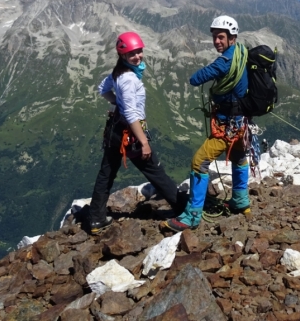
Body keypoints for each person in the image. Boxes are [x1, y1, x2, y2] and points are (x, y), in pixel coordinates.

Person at [89, 31, 183, 234]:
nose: (138, 56)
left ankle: (95, 219)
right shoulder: (129, 79)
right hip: (130, 134)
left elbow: (102, 88)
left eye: (139, 51)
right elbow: (132, 114)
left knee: (106, 174)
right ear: (123, 56)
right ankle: (183, 209)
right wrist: (144, 142)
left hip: (115, 130)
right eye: (132, 54)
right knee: (155, 171)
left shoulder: (118, 72)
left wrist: (117, 103)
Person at [163, 15, 250, 232]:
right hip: (242, 123)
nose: (217, 41)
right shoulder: (242, 53)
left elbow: (195, 79)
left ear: (232, 38)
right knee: (239, 156)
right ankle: (240, 199)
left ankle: (191, 216)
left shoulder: (224, 62)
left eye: (221, 37)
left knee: (199, 162)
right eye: (214, 37)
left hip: (227, 126)